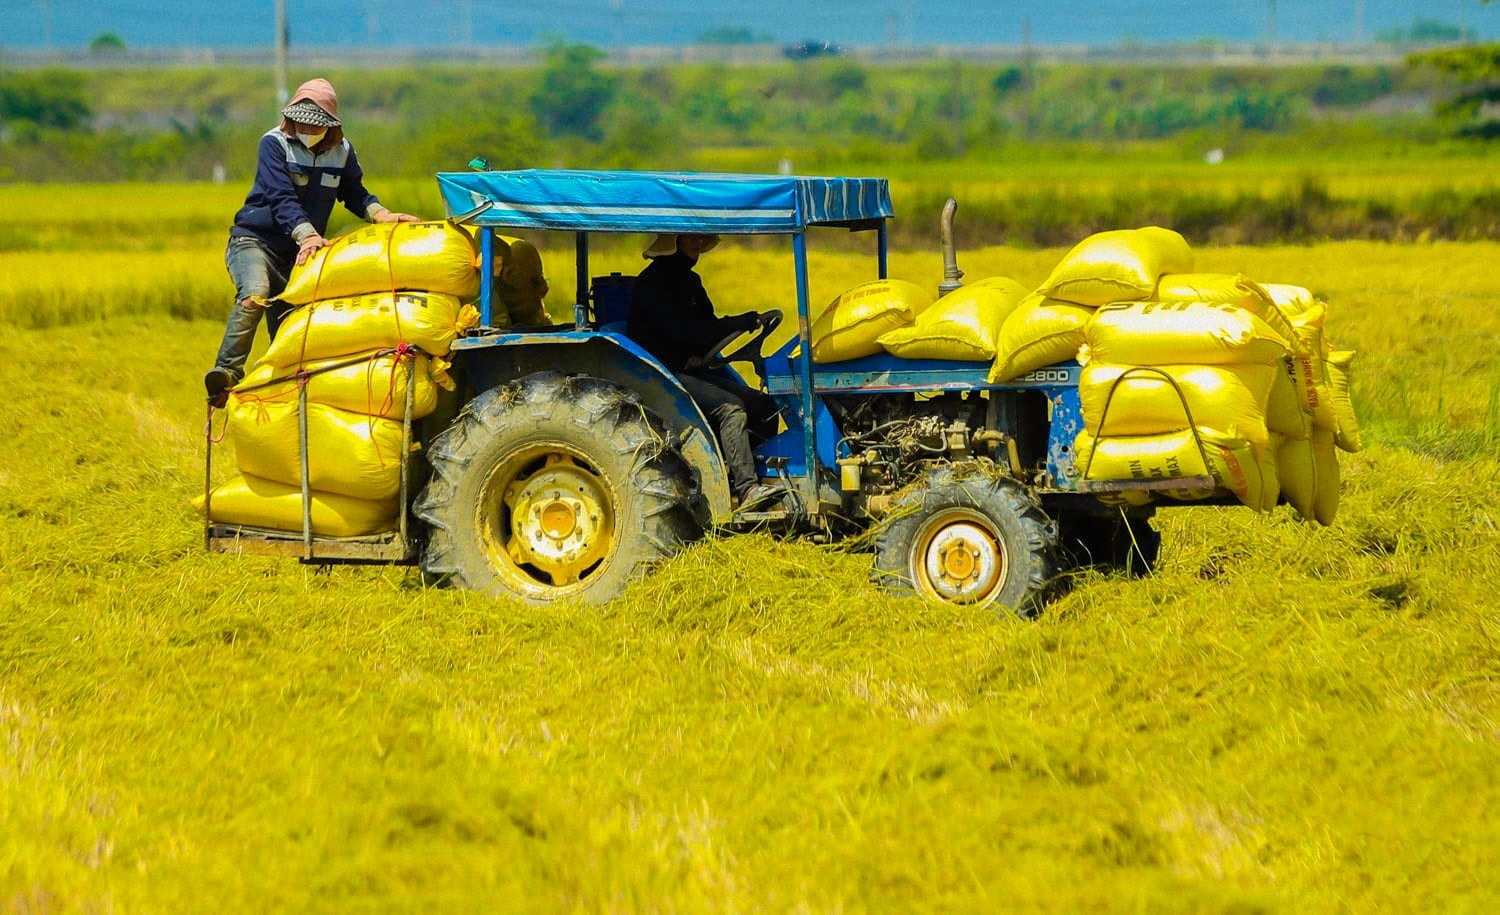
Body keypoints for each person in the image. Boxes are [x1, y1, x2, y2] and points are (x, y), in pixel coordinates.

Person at [204, 77, 418, 399]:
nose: (306, 129)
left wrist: (382, 215)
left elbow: (354, 193)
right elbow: (281, 197)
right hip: (255, 242)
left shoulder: (342, 152)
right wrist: (307, 235)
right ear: (291, 119)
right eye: (300, 123)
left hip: (300, 254)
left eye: (314, 125)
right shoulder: (274, 144)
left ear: (330, 126)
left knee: (293, 327)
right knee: (256, 293)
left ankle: (284, 392)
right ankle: (227, 373)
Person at [628, 233, 783, 508]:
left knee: (765, 405)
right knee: (731, 409)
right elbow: (684, 333)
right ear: (672, 243)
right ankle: (747, 490)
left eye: (702, 238)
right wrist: (739, 322)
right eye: (692, 238)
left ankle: (752, 475)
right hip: (664, 374)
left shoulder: (690, 282)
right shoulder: (652, 285)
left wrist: (734, 327)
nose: (699, 243)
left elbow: (707, 327)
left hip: (690, 368)